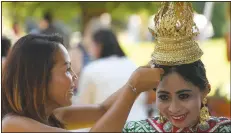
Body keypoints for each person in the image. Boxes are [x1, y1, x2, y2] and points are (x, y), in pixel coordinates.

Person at [2, 33, 163, 132]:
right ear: (39, 78)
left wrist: (138, 77)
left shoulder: (52, 116)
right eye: (67, 69)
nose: (74, 76)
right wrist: (133, 88)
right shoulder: (12, 124)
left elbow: (103, 111)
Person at [123, 2, 231, 132]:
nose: (174, 108)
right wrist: (131, 87)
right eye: (164, 97)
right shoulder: (138, 130)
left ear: (205, 91)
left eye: (184, 96)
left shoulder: (224, 129)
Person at [76, 29, 147, 123]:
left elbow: (82, 108)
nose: (89, 51)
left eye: (91, 46)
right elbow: (143, 99)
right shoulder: (134, 66)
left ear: (98, 46)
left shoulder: (91, 69)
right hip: (139, 124)